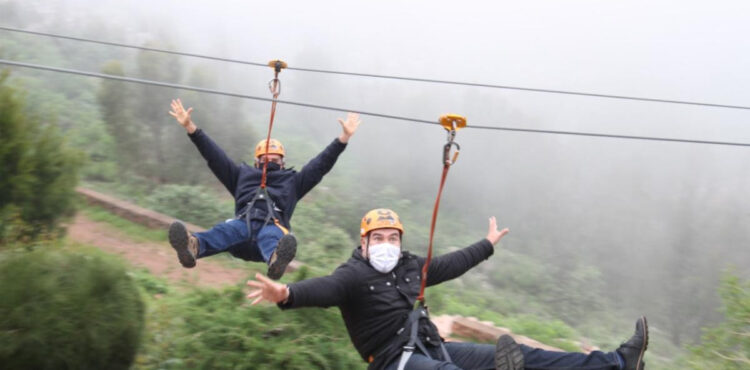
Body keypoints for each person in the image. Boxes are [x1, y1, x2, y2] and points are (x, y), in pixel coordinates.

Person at [247, 208, 649, 370]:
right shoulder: (352, 275)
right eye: (379, 237)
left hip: (430, 346)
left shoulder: (409, 267)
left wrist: (486, 246)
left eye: (393, 237)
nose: (387, 244)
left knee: (521, 358)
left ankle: (615, 363)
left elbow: (450, 264)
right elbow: (325, 289)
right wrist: (286, 294)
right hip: (393, 362)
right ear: (364, 241)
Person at [166, 98, 361, 279]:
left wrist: (343, 138)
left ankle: (276, 260)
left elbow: (320, 165)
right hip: (242, 229)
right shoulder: (242, 177)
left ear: (282, 163)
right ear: (256, 162)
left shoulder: (292, 183)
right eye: (265, 160)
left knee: (272, 236)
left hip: (271, 230)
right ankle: (192, 247)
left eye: (275, 160)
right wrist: (191, 128)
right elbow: (215, 157)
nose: (270, 163)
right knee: (225, 231)